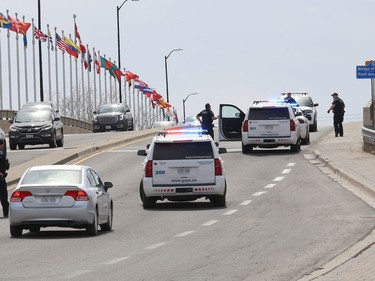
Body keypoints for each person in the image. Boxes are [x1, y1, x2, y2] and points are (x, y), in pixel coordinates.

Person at [0, 138, 9, 218]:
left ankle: (6, 212)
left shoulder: (2, 154)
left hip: (2, 179)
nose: (3, 146)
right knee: (3, 197)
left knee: (4, 197)